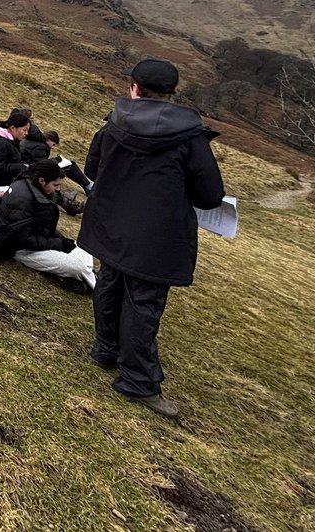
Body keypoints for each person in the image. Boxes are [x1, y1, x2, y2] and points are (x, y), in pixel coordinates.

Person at [79, 58, 226, 419]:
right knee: (142, 304)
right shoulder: (190, 138)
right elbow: (209, 195)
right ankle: (138, 382)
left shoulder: (112, 126)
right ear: (172, 94)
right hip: (156, 237)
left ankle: (106, 349)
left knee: (110, 285)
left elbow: (93, 170)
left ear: (135, 89)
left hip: (112, 225)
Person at [0, 159, 97, 291]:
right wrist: (59, 244)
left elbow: (42, 227)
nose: (58, 189)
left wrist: (62, 241)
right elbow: (25, 239)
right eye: (56, 185)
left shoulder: (33, 187)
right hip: (19, 248)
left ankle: (80, 277)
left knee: (83, 247)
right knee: (77, 267)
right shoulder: (24, 198)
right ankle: (95, 285)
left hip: (36, 240)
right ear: (42, 180)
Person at [22, 127, 92, 193]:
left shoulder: (35, 141)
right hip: (32, 171)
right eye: (53, 144)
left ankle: (87, 186)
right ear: (48, 140)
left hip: (29, 167)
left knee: (68, 163)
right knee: (70, 165)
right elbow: (42, 165)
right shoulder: (40, 147)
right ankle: (88, 186)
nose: (52, 147)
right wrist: (54, 162)